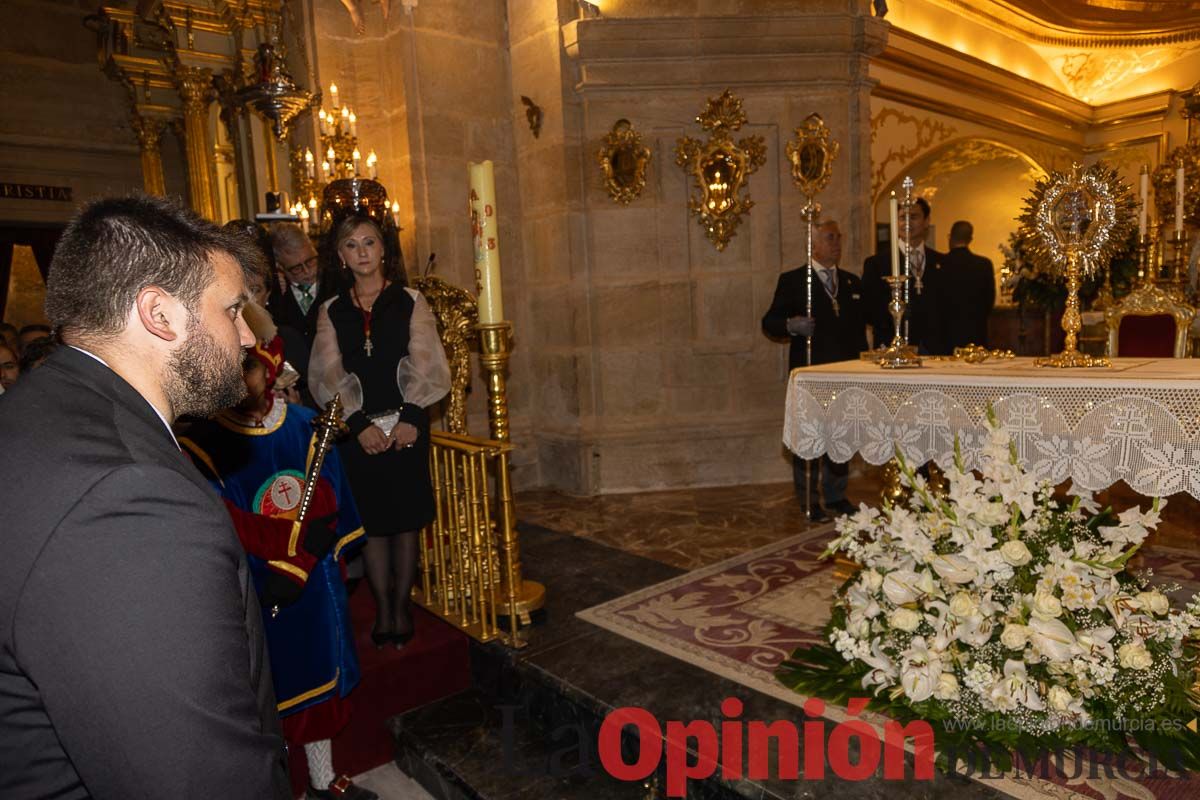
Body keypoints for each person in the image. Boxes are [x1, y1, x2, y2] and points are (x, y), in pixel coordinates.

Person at [0, 195, 290, 798]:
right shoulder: (130, 502)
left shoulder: (43, 402)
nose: (245, 337)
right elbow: (197, 779)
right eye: (233, 310)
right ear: (160, 313)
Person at [181, 339, 377, 800]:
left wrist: (300, 561)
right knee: (269, 693)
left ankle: (323, 778)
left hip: (309, 581)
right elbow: (223, 516)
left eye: (249, 367)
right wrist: (283, 553)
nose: (242, 378)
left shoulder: (308, 426)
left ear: (269, 369)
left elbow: (328, 501)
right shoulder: (202, 441)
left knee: (318, 686)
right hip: (253, 581)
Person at [310, 205, 450, 647]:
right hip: (359, 430)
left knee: (405, 521)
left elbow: (427, 362)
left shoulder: (409, 300)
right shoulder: (332, 310)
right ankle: (383, 610)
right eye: (351, 245)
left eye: (369, 242)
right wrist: (355, 423)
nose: (362, 251)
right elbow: (326, 374)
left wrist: (411, 417)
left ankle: (401, 609)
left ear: (383, 249)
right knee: (371, 523)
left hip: (407, 423)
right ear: (341, 257)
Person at [761, 220, 867, 521]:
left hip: (846, 374)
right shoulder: (795, 281)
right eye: (830, 237)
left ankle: (836, 495)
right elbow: (769, 322)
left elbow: (860, 330)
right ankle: (809, 497)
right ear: (814, 243)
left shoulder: (851, 282)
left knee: (841, 438)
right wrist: (790, 326)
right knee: (810, 438)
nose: (837, 243)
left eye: (839, 237)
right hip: (811, 374)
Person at [861, 196, 948, 354]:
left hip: (934, 350)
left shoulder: (943, 262)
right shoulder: (877, 264)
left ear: (927, 221)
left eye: (913, 217)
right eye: (902, 217)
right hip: (891, 348)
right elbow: (870, 309)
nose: (907, 223)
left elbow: (948, 309)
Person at [270, 222, 338, 348]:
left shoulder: (337, 282)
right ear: (280, 267)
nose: (307, 271)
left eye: (310, 261)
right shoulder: (274, 293)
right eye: (297, 268)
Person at [941, 220, 996, 350]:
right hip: (976, 330)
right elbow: (989, 299)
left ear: (950, 237)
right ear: (970, 239)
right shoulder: (984, 264)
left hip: (946, 332)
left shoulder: (941, 263)